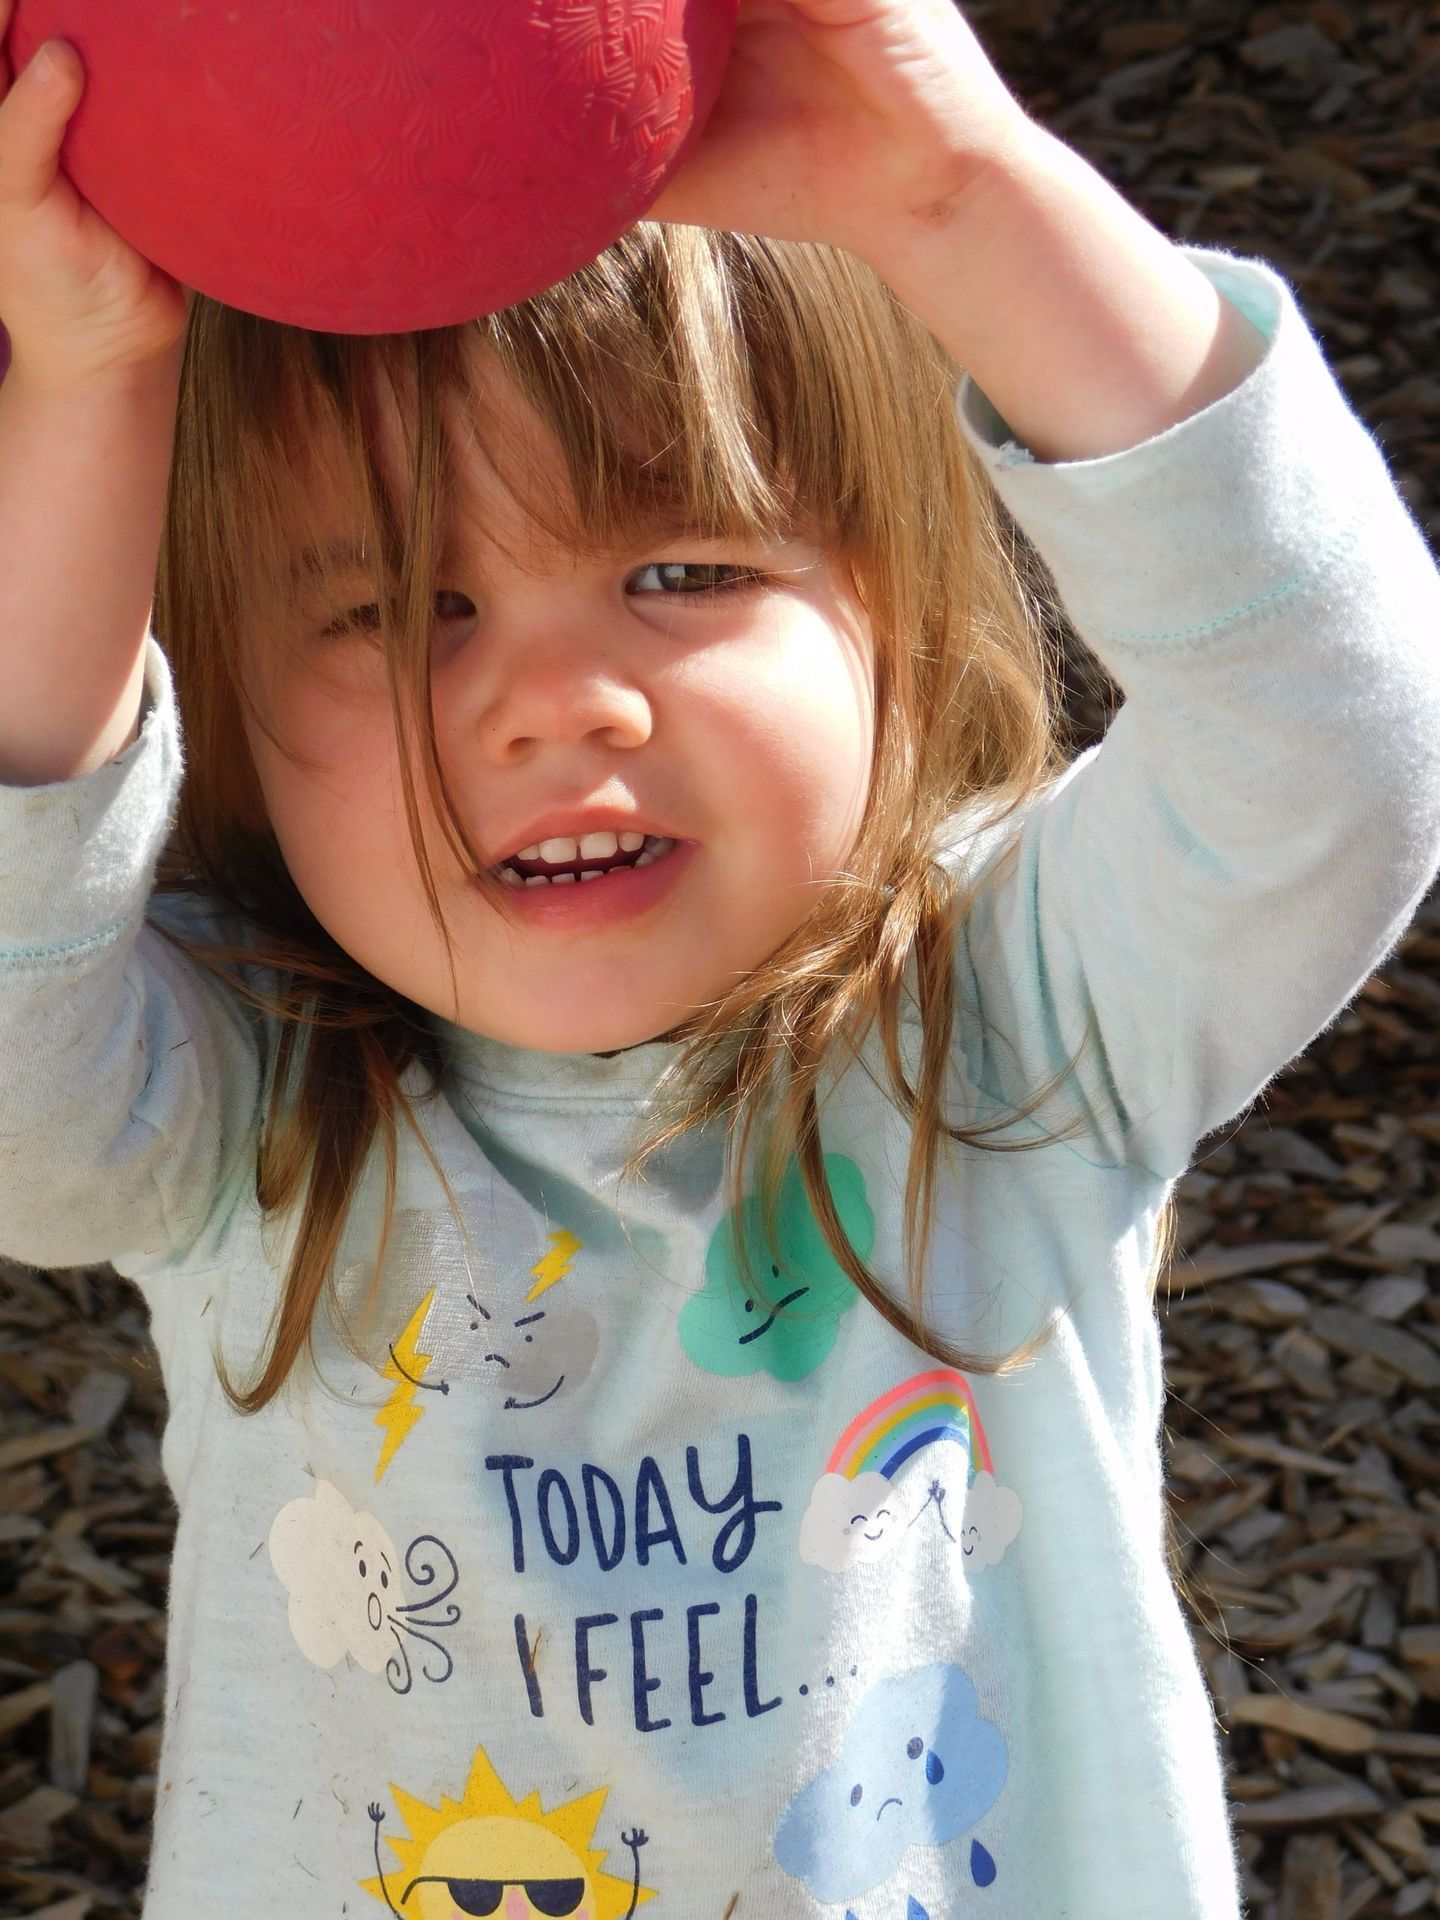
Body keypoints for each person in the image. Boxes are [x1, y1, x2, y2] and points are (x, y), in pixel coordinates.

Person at [1, 0, 1437, 1914]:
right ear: (238, 728)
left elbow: (1333, 742)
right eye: (397, 606)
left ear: (896, 628)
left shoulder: (1008, 1029)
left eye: (684, 572)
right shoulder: (239, 1124)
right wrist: (88, 384)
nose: (552, 705)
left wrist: (955, 197)